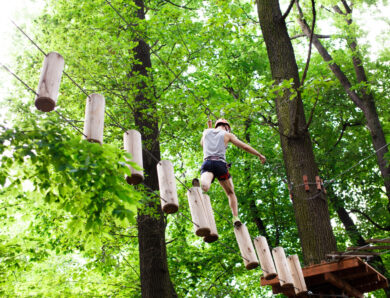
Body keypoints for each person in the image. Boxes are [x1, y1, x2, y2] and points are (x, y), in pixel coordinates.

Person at [200, 119, 266, 227]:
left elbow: (203, 144)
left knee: (205, 186)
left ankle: (201, 185)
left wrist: (209, 128)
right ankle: (235, 217)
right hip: (220, 165)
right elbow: (244, 146)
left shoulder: (206, 132)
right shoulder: (227, 134)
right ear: (227, 127)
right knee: (230, 193)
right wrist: (259, 154)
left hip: (207, 162)